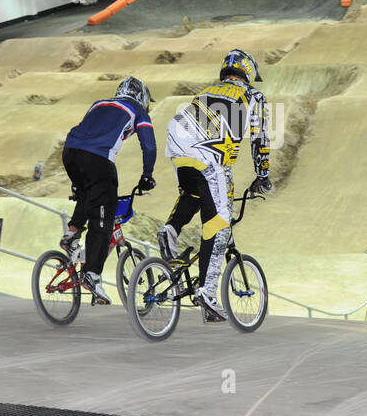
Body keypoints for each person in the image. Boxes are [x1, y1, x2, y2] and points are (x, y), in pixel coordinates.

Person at [157, 49, 272, 321]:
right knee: (219, 225)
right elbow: (260, 139)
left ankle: (170, 229)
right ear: (250, 72)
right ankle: (207, 292)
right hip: (206, 154)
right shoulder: (253, 96)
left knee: (195, 192)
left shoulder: (207, 91)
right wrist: (263, 175)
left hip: (178, 146)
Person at [60, 77, 157, 304]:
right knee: (103, 217)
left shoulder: (99, 103)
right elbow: (149, 146)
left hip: (70, 152)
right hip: (98, 158)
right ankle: (92, 274)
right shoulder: (138, 111)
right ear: (142, 96)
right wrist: (147, 175)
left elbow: (86, 130)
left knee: (87, 192)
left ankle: (72, 234)